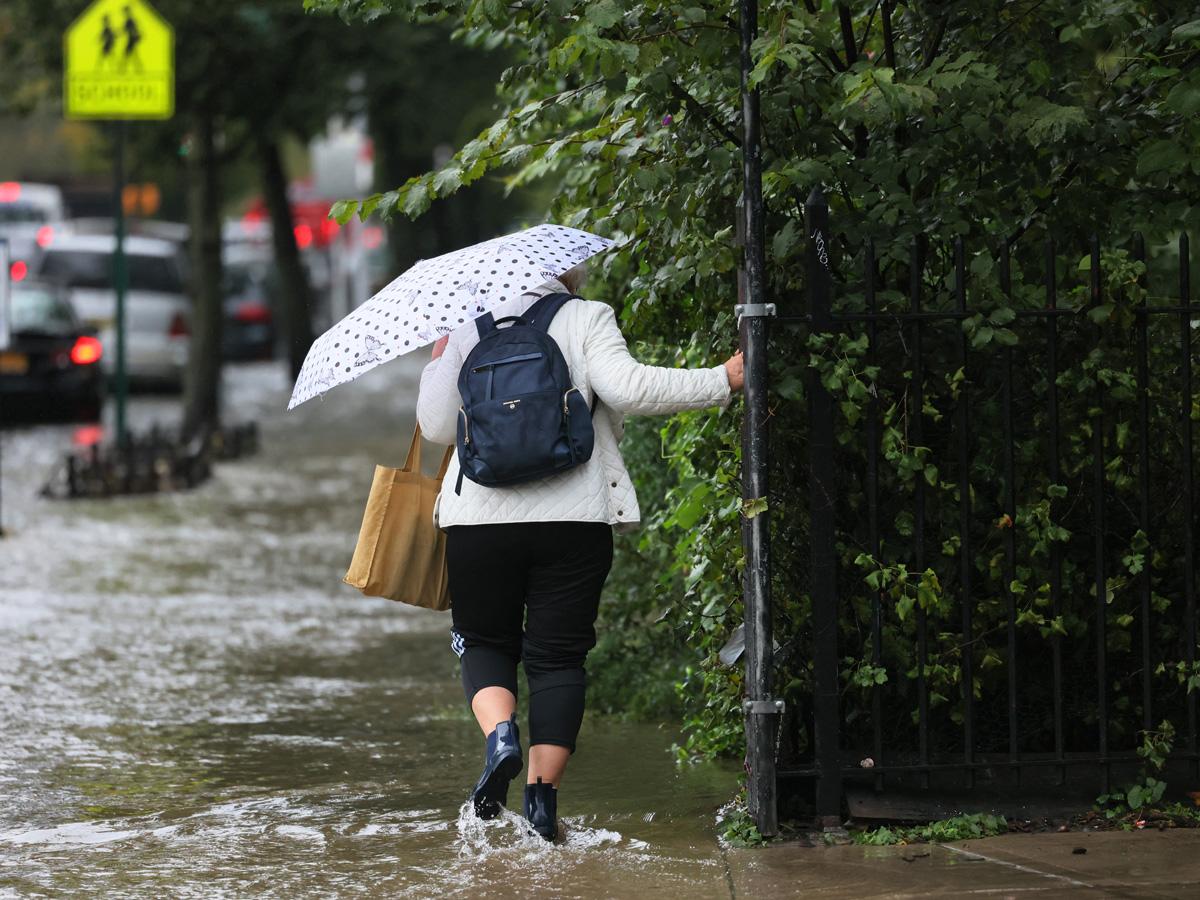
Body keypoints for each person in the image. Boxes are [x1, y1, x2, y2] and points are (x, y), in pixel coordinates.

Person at [416, 266, 743, 841]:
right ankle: (542, 806)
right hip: (574, 518)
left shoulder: (467, 326)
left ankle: (501, 737)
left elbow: (437, 426)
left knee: (485, 641)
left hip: (481, 522)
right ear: (569, 271)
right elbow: (630, 388)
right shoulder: (587, 316)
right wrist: (723, 378)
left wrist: (442, 353)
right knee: (558, 660)